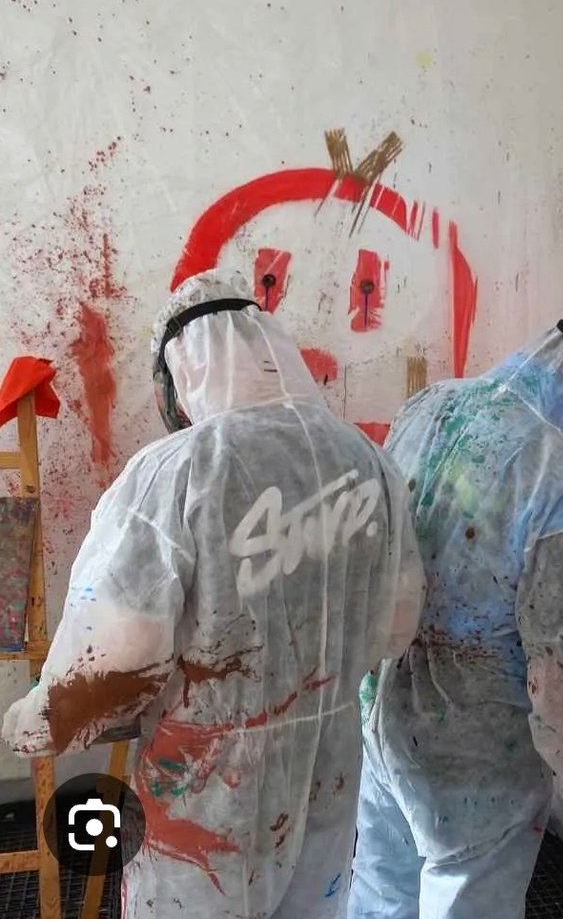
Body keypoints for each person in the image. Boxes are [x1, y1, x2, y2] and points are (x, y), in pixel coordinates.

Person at [1, 268, 425, 918]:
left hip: (206, 801)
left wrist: (38, 720)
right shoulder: (370, 463)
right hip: (326, 782)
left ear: (183, 370)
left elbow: (112, 664)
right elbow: (397, 627)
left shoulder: (177, 472)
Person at [348, 283, 563, 919]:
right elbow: (562, 675)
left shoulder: (430, 405)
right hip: (477, 759)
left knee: (379, 894)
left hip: (380, 717)